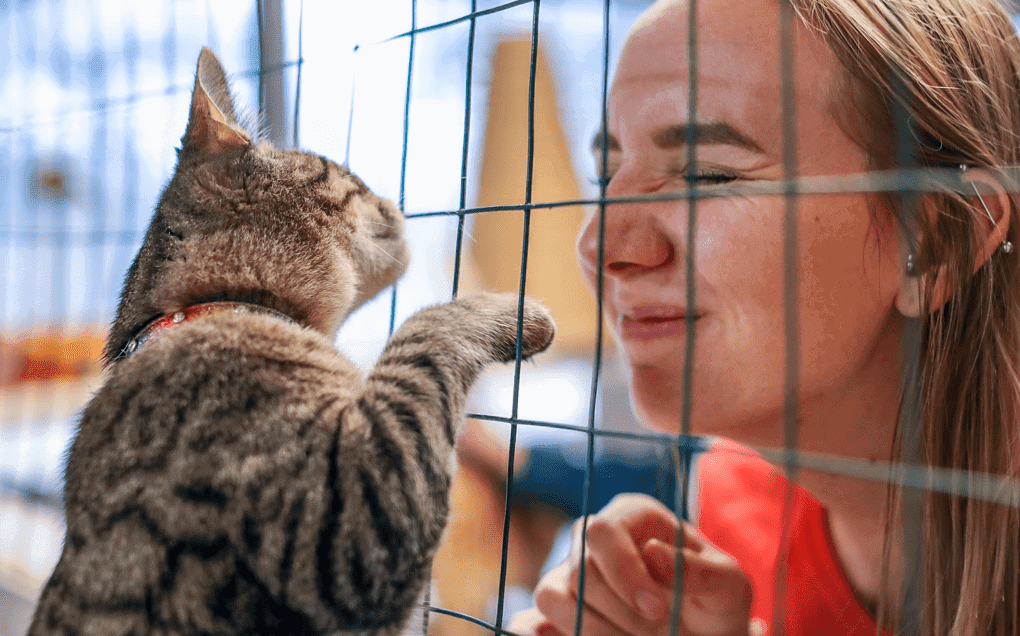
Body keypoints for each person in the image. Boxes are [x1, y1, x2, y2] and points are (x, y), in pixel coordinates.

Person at [507, 0, 1020, 634]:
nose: (599, 247)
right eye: (607, 174)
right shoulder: (735, 504)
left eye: (707, 174)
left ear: (936, 242)